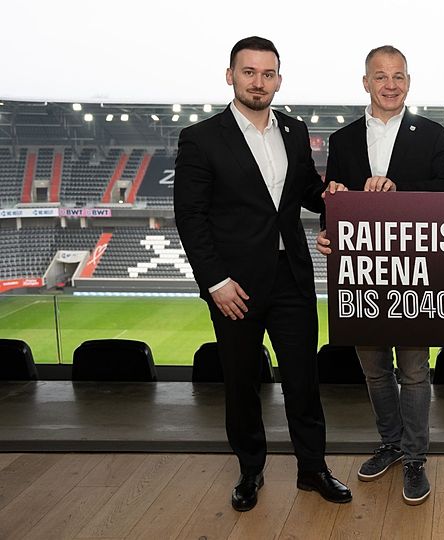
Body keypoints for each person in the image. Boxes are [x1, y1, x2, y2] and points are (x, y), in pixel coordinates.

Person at [175, 36, 352, 512]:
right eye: (249, 72)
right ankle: (250, 470)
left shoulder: (294, 130)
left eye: (267, 73)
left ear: (279, 79)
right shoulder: (201, 138)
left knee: (303, 380)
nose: (258, 82)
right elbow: (190, 217)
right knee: (241, 384)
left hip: (291, 275)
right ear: (230, 75)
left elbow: (306, 191)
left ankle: (312, 469)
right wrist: (215, 283)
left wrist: (331, 195)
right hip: (235, 285)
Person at [317, 45, 444, 505]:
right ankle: (391, 443)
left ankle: (415, 457)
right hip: (362, 273)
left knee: (414, 371)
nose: (390, 84)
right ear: (366, 82)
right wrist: (327, 231)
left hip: (414, 270)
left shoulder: (432, 133)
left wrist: (398, 189)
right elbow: (332, 202)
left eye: (398, 76)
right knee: (375, 370)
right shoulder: (342, 140)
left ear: (408, 82)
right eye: (381, 76)